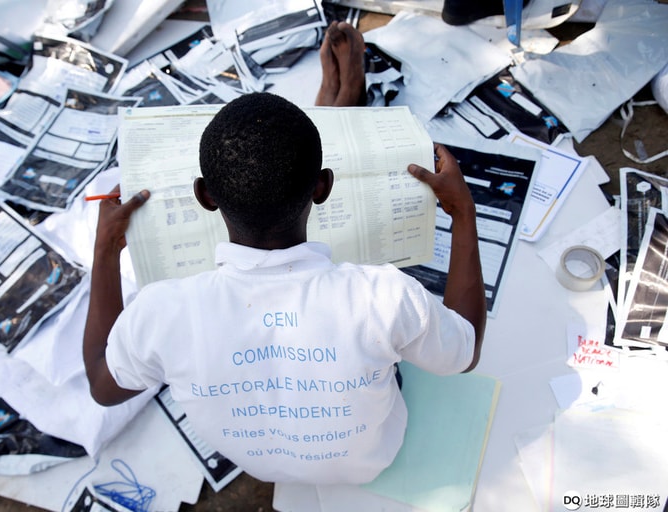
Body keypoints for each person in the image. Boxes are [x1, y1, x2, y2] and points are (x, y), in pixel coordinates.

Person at [83, 23, 486, 485]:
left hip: (260, 467)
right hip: (373, 461)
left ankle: (335, 102)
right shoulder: (386, 296)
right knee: (376, 327)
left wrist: (105, 249)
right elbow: (465, 350)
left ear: (205, 196)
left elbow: (101, 384)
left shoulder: (159, 313)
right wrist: (463, 212)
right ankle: (338, 106)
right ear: (324, 188)